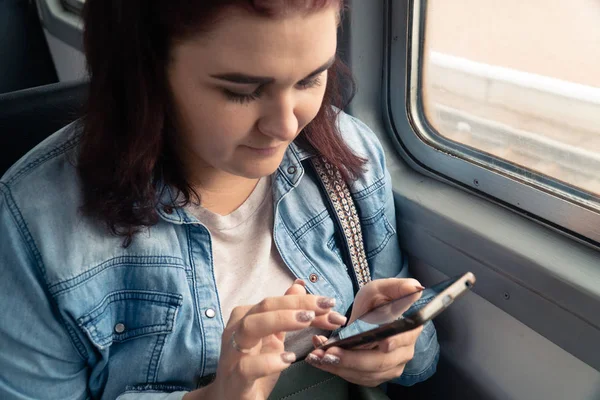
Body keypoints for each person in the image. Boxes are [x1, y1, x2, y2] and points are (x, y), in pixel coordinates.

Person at [0, 0, 440, 399]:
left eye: (310, 78)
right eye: (241, 91)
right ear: (147, 70)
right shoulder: (34, 225)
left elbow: (418, 350)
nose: (286, 126)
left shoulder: (349, 152)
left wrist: (395, 347)